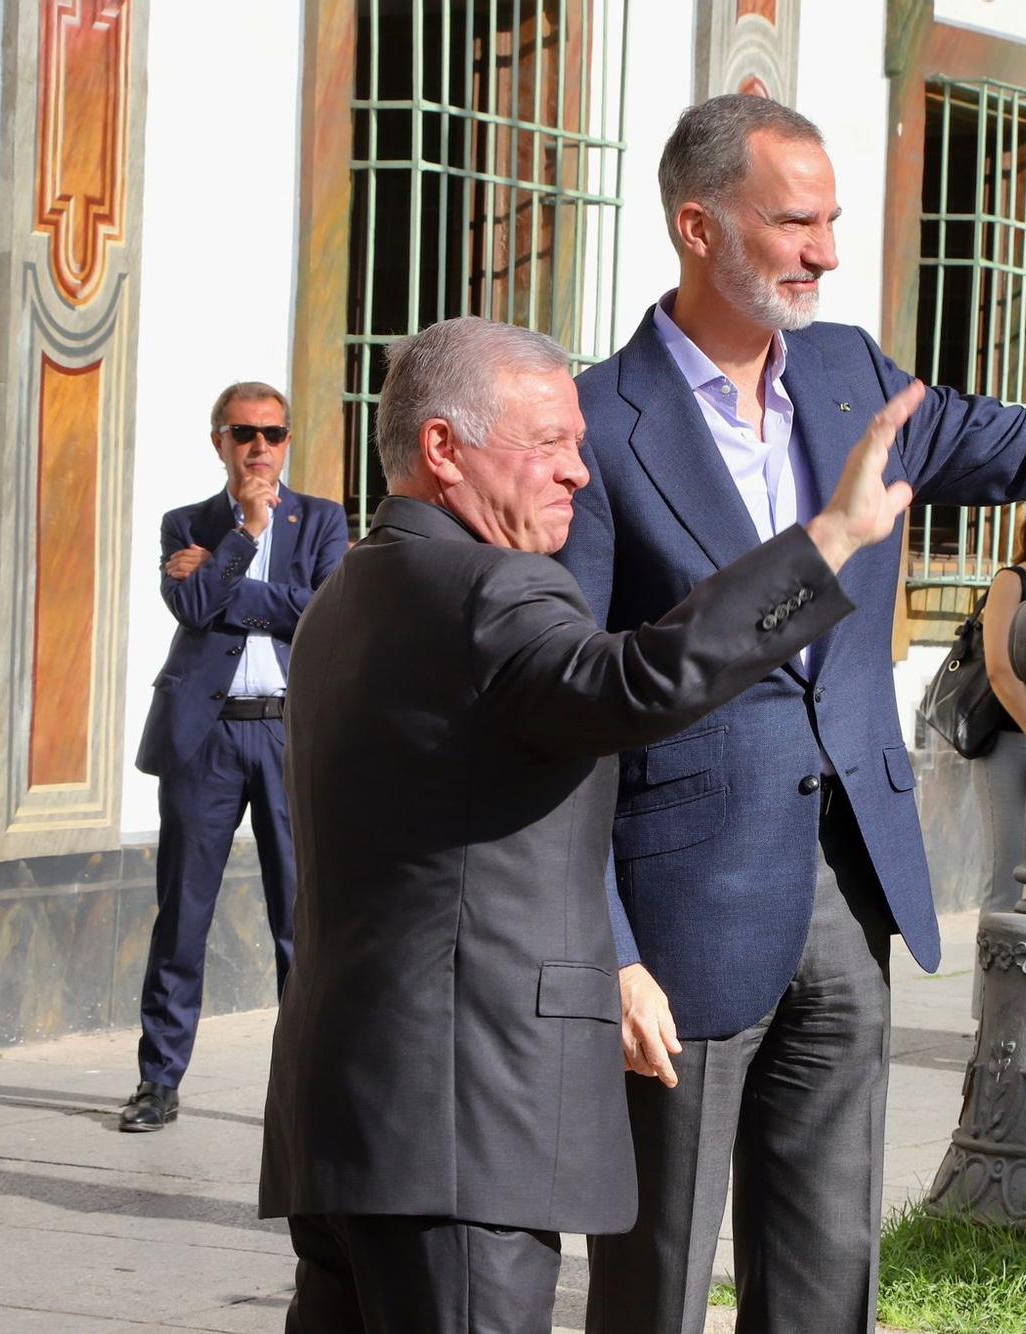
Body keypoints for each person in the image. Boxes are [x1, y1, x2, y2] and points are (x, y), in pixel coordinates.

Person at [557, 93, 1026, 1334]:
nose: (825, 251)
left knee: (827, 1276)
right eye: (794, 222)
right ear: (697, 226)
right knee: (654, 1284)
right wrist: (608, 947)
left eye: (831, 221)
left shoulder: (849, 377)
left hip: (847, 891)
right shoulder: (598, 427)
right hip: (680, 912)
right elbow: (575, 710)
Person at [257, 316, 920, 1328]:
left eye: (579, 440)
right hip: (463, 1136)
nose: (579, 468)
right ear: (443, 448)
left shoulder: (347, 590)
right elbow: (635, 679)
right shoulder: (495, 590)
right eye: (549, 443)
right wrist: (825, 543)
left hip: (343, 1120)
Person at [123, 382, 347, 1133]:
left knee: (300, 919)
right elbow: (190, 609)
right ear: (219, 440)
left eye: (273, 433)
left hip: (290, 732)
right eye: (244, 433)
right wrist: (245, 533)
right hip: (204, 738)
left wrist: (225, 579)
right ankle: (157, 1081)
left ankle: (308, 1089)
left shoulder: (322, 520)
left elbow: (324, 611)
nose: (259, 446)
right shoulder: (187, 523)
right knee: (183, 916)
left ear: (287, 441)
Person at [973, 516, 1026, 1015]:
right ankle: (992, 1010)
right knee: (1008, 876)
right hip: (1010, 744)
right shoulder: (1014, 580)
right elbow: (1000, 671)